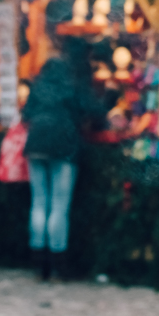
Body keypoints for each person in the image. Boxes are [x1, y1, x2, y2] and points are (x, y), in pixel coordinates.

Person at [22, 37, 98, 281]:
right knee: (59, 206)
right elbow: (91, 110)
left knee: (39, 202)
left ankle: (38, 263)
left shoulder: (37, 86)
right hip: (64, 146)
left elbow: (26, 115)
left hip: (36, 145)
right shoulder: (71, 86)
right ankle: (59, 261)